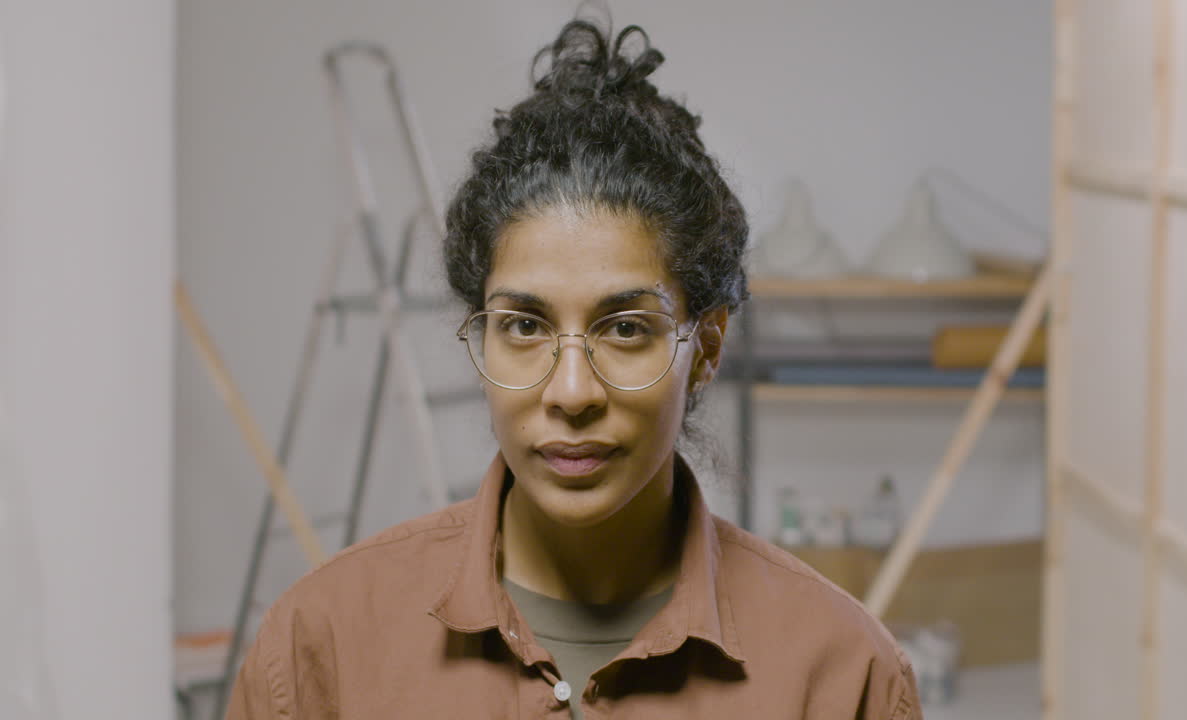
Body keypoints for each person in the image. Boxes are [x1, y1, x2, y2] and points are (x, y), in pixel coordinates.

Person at [227, 16, 922, 720]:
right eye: (524, 325)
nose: (570, 393)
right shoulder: (322, 648)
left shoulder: (841, 675)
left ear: (706, 346)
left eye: (625, 328)